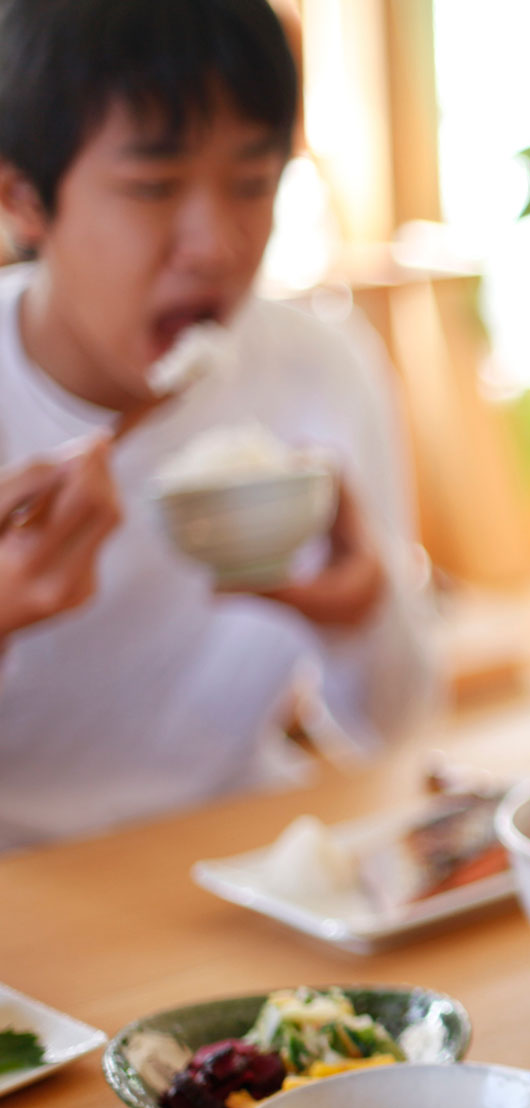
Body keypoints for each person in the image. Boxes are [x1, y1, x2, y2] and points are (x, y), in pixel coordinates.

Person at [0, 0, 436, 851]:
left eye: (253, 181)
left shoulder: (319, 367)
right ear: (23, 199)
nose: (217, 244)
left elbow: (400, 724)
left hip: (240, 852)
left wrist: (360, 617)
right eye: (153, 187)